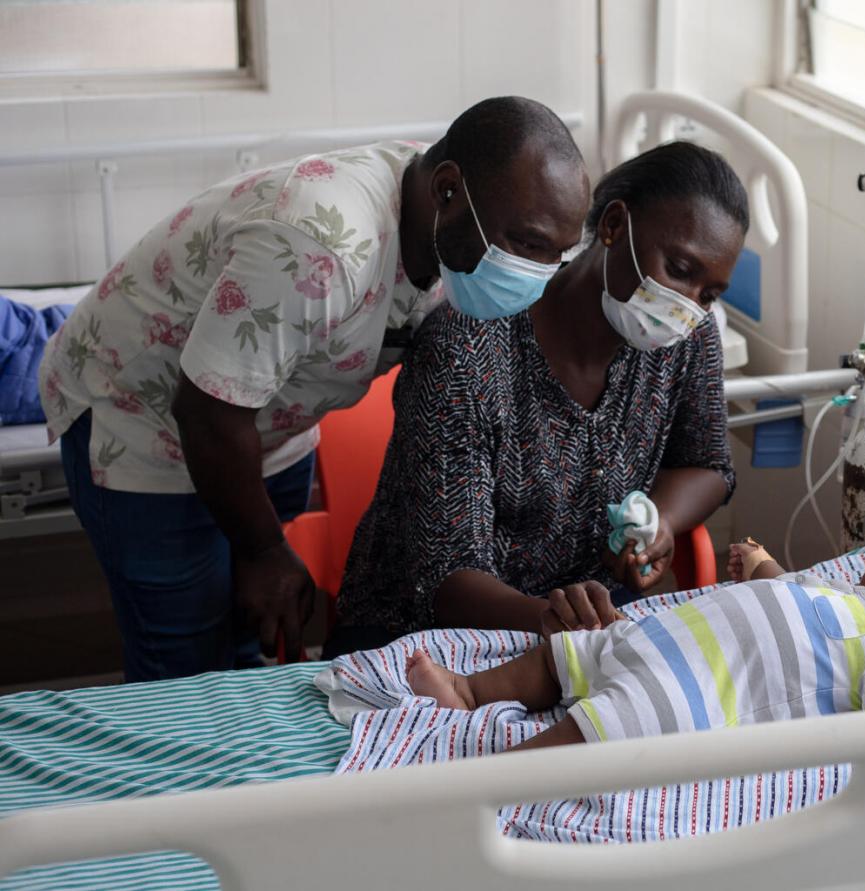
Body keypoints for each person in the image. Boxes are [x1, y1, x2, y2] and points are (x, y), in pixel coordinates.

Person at [38, 96, 590, 682]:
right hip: (148, 429)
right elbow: (205, 414)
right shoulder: (320, 246)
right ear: (448, 191)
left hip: (272, 428)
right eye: (528, 245)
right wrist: (262, 550)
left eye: (557, 253)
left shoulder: (449, 231)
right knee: (187, 672)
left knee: (248, 657)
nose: (538, 273)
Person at [328, 142, 746, 656]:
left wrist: (658, 522)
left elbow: (706, 464)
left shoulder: (686, 338)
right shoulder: (468, 346)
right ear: (614, 226)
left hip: (583, 633)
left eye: (709, 294)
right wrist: (557, 619)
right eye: (679, 269)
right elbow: (447, 577)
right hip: (423, 638)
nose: (688, 304)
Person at [403, 542, 865, 750]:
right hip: (651, 638)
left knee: (599, 729)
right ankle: (466, 691)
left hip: (687, 693)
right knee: (562, 655)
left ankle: (494, 775)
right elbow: (784, 591)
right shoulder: (845, 596)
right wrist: (760, 564)